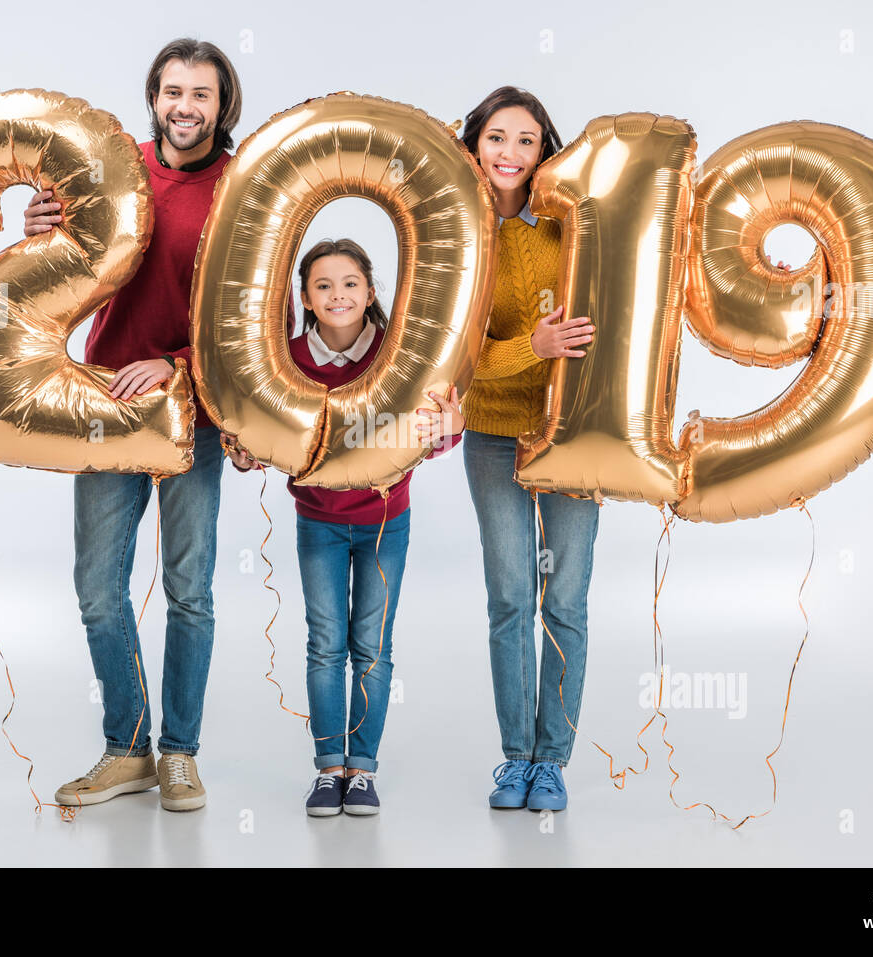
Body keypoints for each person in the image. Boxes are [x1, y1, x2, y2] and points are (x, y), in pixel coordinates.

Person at [21, 38, 244, 812]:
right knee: (98, 590)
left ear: (224, 105)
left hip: (194, 411)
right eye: (172, 91)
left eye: (201, 94)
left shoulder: (244, 187)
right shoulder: (112, 167)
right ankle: (129, 748)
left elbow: (253, 315)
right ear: (154, 97)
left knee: (189, 589)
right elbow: (65, 271)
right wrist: (40, 226)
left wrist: (179, 364)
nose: (185, 106)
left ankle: (179, 752)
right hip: (108, 402)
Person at [225, 239, 463, 816]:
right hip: (319, 523)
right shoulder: (285, 361)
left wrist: (450, 428)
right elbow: (264, 435)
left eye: (351, 283)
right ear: (304, 298)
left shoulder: (398, 355)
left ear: (371, 291)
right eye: (324, 286)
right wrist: (244, 451)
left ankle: (364, 769)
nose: (338, 295)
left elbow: (433, 433)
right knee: (326, 645)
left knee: (372, 647)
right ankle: (329, 767)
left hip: (386, 522)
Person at [458, 87, 598, 812]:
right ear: (474, 144)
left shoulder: (570, 225)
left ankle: (555, 758)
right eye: (497, 138)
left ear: (546, 151)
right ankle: (517, 755)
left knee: (565, 600)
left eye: (528, 141)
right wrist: (531, 347)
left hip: (571, 430)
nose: (511, 153)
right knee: (511, 597)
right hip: (490, 434)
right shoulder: (452, 231)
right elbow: (453, 356)